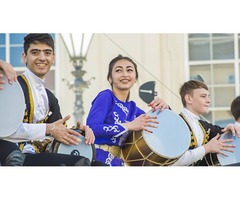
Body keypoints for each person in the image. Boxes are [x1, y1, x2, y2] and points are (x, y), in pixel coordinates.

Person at [0, 34, 99, 166]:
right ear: (25, 57)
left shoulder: (51, 98)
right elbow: (5, 130)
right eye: (35, 52)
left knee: (97, 165)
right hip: (13, 154)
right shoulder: (11, 87)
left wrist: (79, 132)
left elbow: (59, 132)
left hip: (38, 156)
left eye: (47, 53)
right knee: (79, 164)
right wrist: (48, 129)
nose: (42, 58)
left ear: (53, 58)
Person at [86, 54, 169, 166]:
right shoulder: (106, 96)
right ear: (110, 78)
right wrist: (128, 125)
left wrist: (165, 108)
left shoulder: (133, 109)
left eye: (129, 70)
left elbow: (159, 128)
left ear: (135, 78)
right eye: (119, 70)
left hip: (120, 163)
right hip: (98, 159)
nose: (125, 74)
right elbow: (92, 127)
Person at [172, 80, 239, 166]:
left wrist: (231, 127)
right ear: (188, 99)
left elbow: (224, 133)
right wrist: (207, 148)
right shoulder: (176, 124)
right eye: (203, 96)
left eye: (208, 96)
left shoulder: (204, 126)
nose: (208, 101)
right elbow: (174, 161)